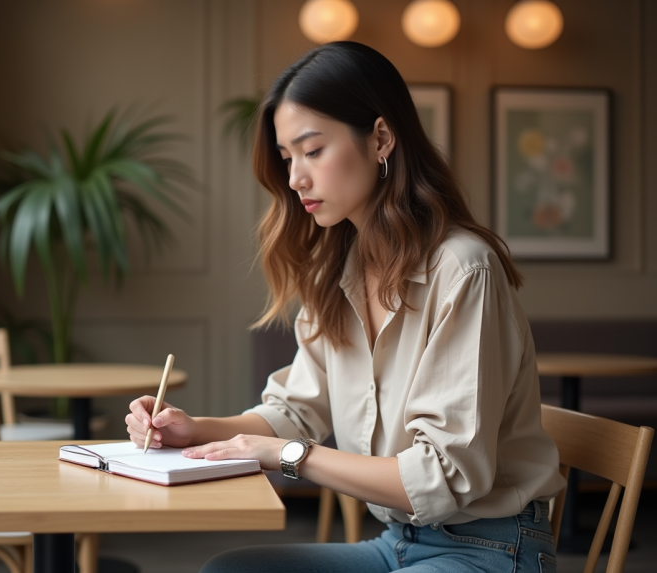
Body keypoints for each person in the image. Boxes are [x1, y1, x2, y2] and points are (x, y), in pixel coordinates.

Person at [126, 41, 566, 573]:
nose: (295, 180)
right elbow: (294, 411)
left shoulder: (463, 270)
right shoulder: (337, 272)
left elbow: (445, 475)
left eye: (312, 151)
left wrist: (291, 458)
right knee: (230, 570)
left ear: (380, 138)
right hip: (398, 541)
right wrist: (194, 429)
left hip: (492, 549)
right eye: (288, 159)